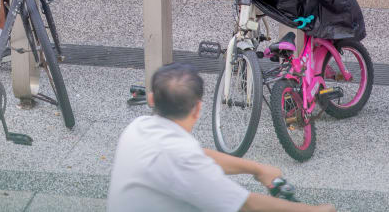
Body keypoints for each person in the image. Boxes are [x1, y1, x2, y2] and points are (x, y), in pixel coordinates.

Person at [107, 63, 336, 212]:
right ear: (198, 109)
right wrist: (312, 211)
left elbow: (198, 155)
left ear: (151, 100)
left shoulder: (138, 128)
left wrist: (257, 169)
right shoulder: (183, 159)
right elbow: (246, 204)